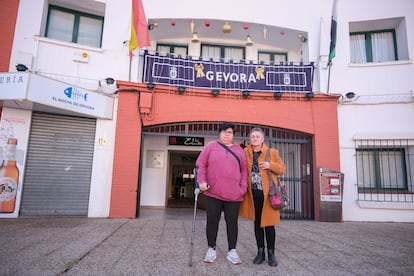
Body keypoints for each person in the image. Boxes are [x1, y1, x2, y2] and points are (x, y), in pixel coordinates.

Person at [195, 122, 248, 265]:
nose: (227, 134)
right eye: (224, 131)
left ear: (233, 135)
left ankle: (232, 251)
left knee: (232, 223)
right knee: (212, 222)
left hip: (234, 194)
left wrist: (242, 188)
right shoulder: (211, 147)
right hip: (213, 192)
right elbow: (201, 165)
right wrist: (201, 181)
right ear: (219, 133)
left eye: (230, 132)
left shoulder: (239, 150)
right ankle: (211, 249)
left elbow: (244, 170)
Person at [239, 127, 286, 267]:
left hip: (269, 195)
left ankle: (271, 254)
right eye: (253, 136)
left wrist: (270, 165)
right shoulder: (245, 153)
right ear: (250, 139)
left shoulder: (272, 152)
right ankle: (260, 252)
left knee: (269, 225)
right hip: (253, 195)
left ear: (262, 139)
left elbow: (282, 169)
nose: (255, 139)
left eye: (257, 136)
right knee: (257, 224)